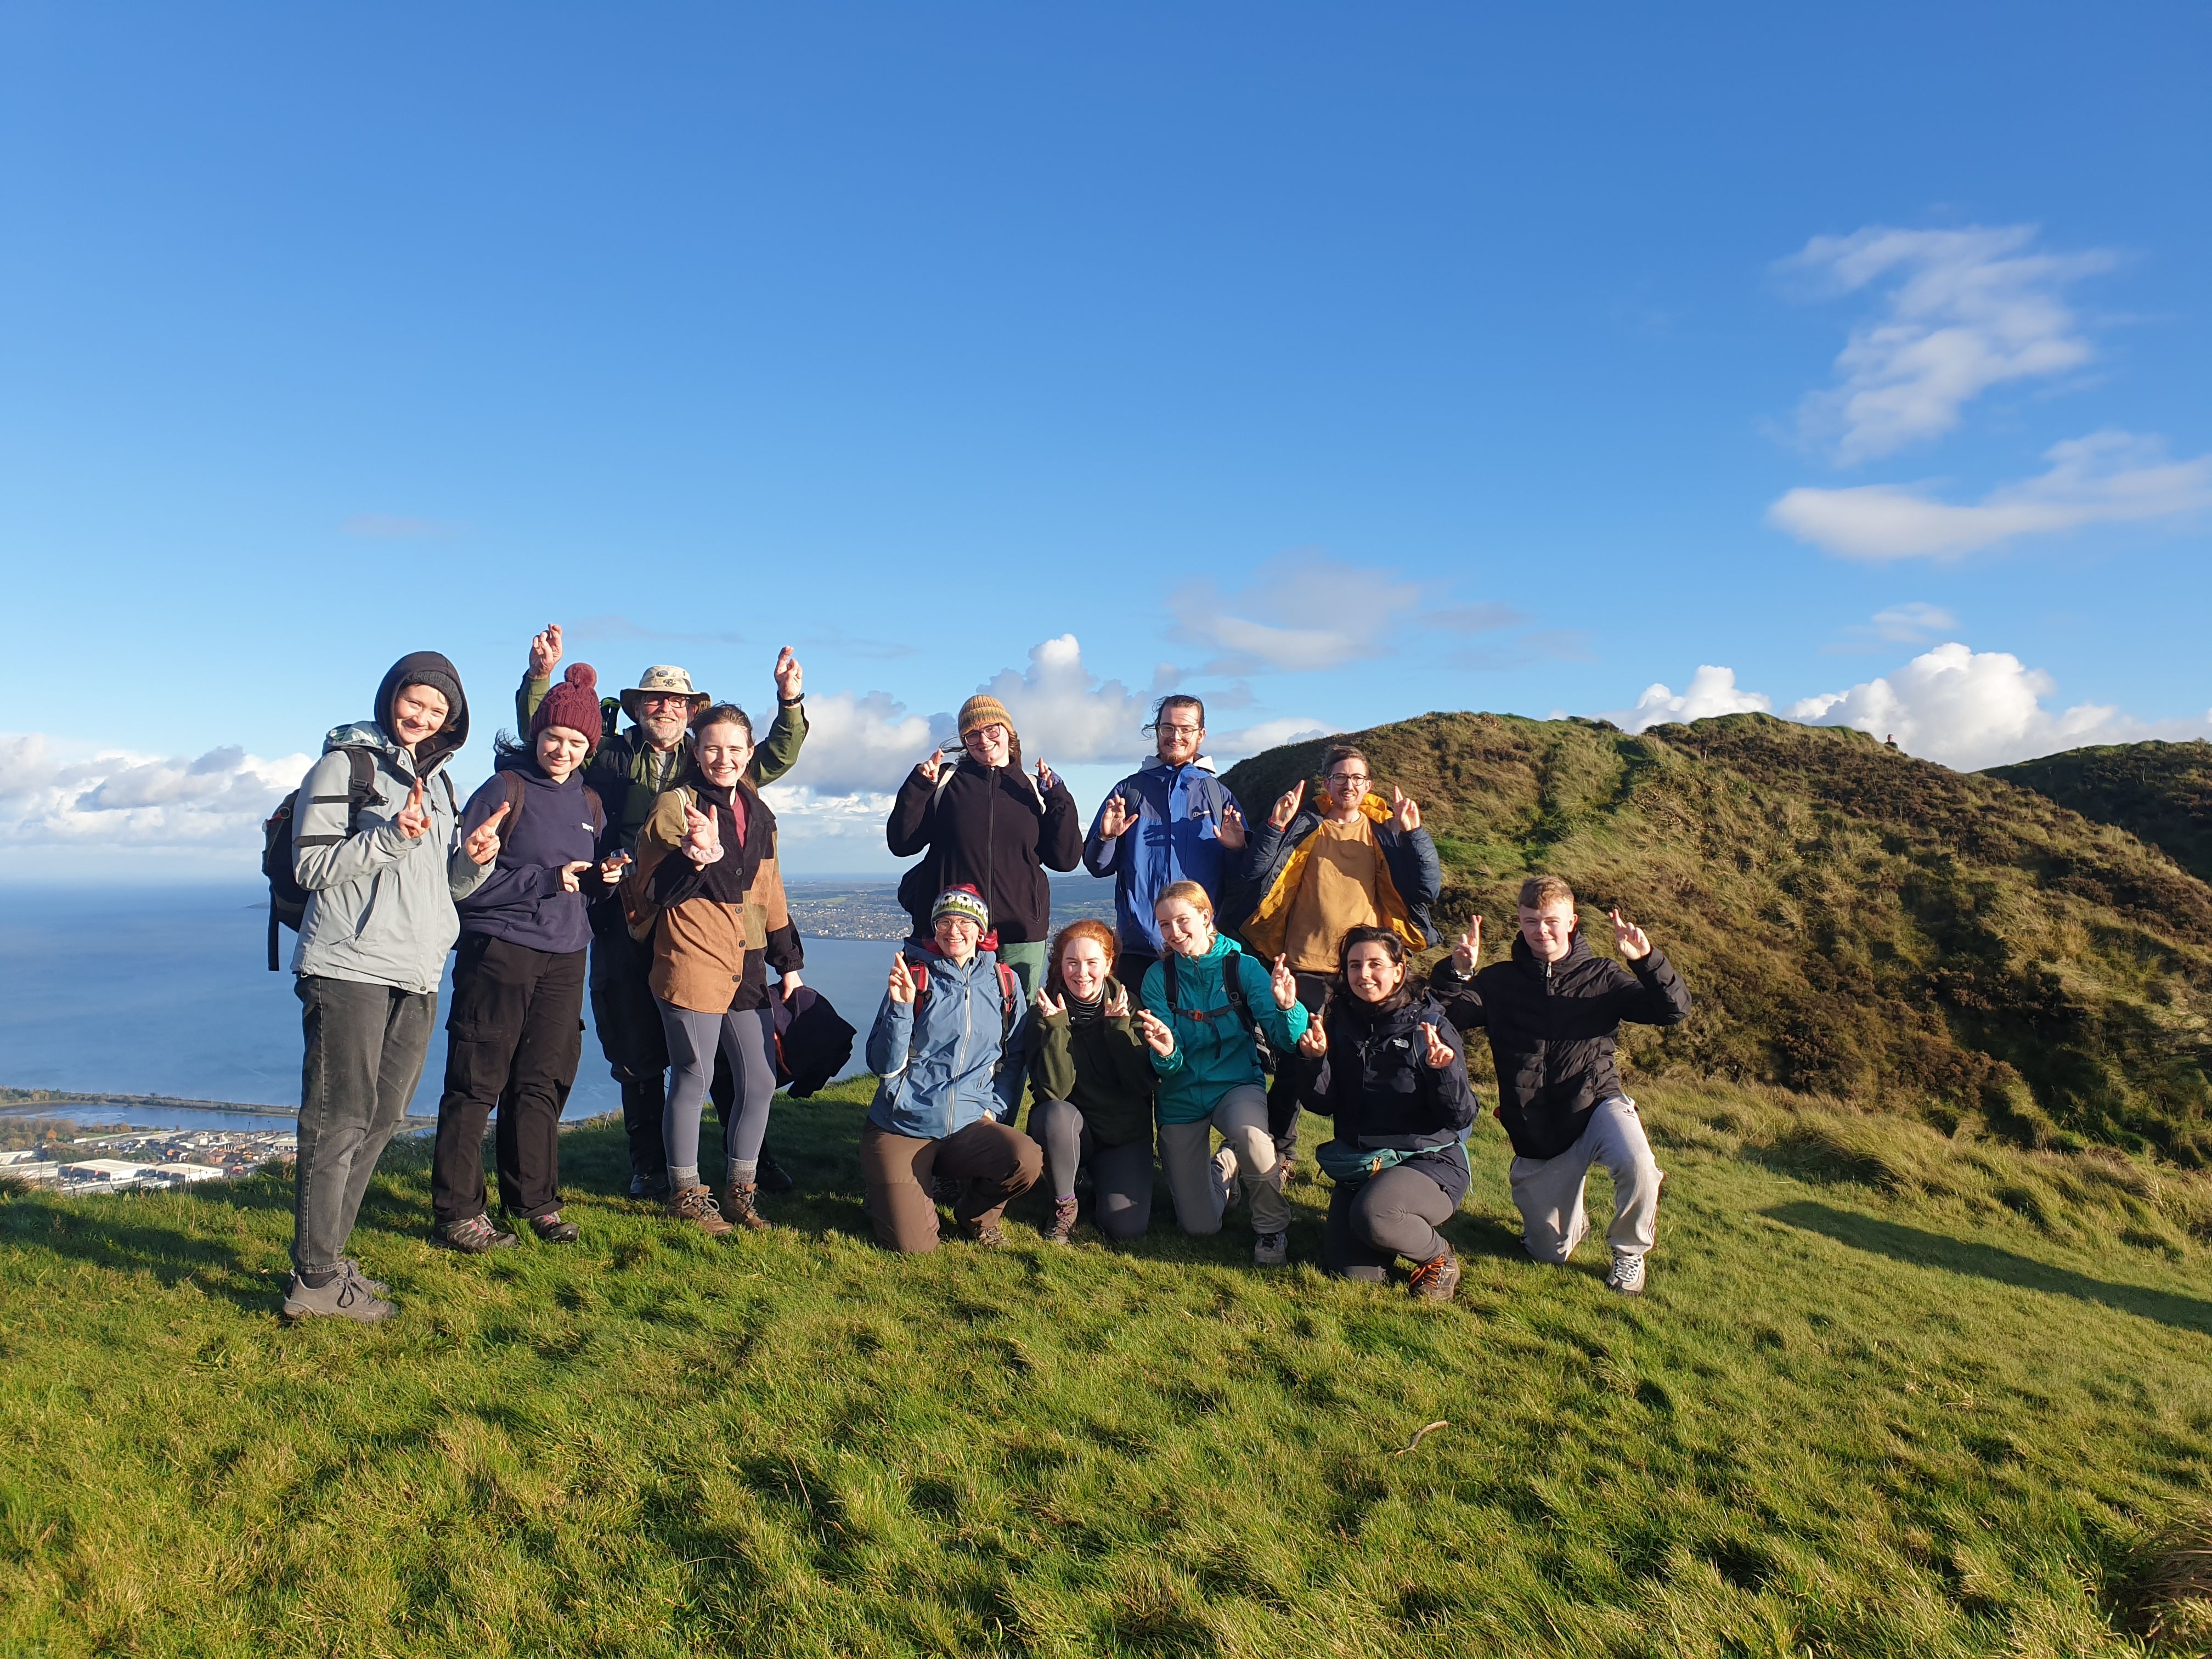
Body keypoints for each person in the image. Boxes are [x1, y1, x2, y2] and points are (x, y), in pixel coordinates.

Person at [517, 623, 808, 1200]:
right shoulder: (607, 753)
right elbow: (549, 736)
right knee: (636, 1046)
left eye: (678, 702)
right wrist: (540, 677)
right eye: (656, 699)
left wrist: (790, 702)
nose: (666, 709)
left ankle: (749, 1163)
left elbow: (774, 752)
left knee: (721, 1051)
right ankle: (649, 1165)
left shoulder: (710, 764)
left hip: (701, 927)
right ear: (638, 707)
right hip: (622, 918)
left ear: (692, 711)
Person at [283, 652, 504, 1322]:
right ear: (391, 698)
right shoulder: (345, 765)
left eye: (439, 711)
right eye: (416, 701)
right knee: (336, 1119)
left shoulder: (440, 783)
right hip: (349, 966)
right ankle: (315, 1281)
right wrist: (392, 838)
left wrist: (473, 861)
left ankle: (330, 1261)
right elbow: (310, 865)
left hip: (416, 970)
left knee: (380, 1121)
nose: (424, 716)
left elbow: (444, 888)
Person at [430, 664, 626, 1252]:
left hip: (567, 955)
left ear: (590, 747)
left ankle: (534, 1201)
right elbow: (464, 883)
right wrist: (546, 879)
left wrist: (606, 880)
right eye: (553, 738)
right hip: (501, 950)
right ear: (535, 735)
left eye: (576, 742)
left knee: (542, 1082)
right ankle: (458, 1211)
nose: (562, 750)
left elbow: (585, 886)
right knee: (476, 1081)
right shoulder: (504, 790)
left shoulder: (589, 800)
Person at [1429, 875, 1692, 1296]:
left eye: (1552, 920)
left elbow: (1672, 1011)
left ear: (1572, 921)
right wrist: (1456, 973)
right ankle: (1571, 1224)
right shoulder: (1499, 982)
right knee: (1548, 1252)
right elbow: (1439, 1019)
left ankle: (1629, 1254)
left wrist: (1646, 961)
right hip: (1537, 1129)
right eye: (1532, 921)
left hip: (1597, 1104)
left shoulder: (1602, 975)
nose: (1542, 930)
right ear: (1520, 921)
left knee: (1639, 1164)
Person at [623, 703, 804, 1236]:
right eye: (712, 748)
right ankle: (686, 1193)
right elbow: (648, 891)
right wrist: (693, 856)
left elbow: (769, 892)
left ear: (749, 753)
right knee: (693, 1074)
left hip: (742, 964)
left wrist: (788, 963)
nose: (723, 758)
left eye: (734, 749)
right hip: (690, 957)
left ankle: (740, 1192)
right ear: (696, 752)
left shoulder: (759, 812)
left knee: (759, 1080)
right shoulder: (675, 806)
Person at [1237, 744, 1442, 1174]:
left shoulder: (1384, 829)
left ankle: (1362, 1153)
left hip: (1363, 971)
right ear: (1325, 783)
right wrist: (1275, 826)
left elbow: (1427, 889)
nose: (1350, 785)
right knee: (1296, 1062)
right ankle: (1281, 1152)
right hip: (1304, 965)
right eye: (1341, 777)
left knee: (1361, 1064)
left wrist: (1414, 835)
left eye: (1358, 778)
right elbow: (1254, 873)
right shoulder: (1306, 823)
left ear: (1368, 785)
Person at [1295, 927, 1478, 1300]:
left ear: (1398, 970)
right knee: (1353, 1275)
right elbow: (1323, 1105)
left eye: (1375, 964)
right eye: (1354, 965)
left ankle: (1438, 1257)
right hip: (1364, 1163)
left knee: (1375, 1214)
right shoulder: (1338, 1021)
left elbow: (1460, 1117)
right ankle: (1384, 1223)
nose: (1364, 974)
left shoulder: (1430, 1026)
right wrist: (1314, 1062)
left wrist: (1443, 1073)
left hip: (1428, 1161)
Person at [1136, 881, 1310, 1267]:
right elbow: (1170, 1062)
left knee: (1253, 1138)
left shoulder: (1243, 968)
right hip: (1180, 1094)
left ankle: (1270, 1228)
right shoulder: (1157, 978)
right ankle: (1225, 1165)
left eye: (1183, 920)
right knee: (1200, 1228)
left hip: (1236, 1083)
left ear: (1205, 916)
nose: (1174, 932)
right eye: (1164, 925)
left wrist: (1287, 1007)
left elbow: (1285, 1038)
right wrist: (1166, 1052)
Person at [861, 886, 1041, 1252]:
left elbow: (1014, 1057)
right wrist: (900, 1008)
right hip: (903, 1124)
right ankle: (890, 1190)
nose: (953, 930)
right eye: (944, 921)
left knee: (1026, 1159)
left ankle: (976, 1216)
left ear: (981, 930)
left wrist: (995, 1110)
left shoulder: (1005, 984)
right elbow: (882, 1065)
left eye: (964, 922)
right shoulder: (915, 978)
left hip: (969, 1124)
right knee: (915, 1247)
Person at [886, 693, 1080, 1000]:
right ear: (964, 741)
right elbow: (902, 843)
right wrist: (919, 787)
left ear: (1008, 733)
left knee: (1016, 1029)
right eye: (972, 734)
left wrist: (1058, 797)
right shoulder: (946, 782)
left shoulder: (1031, 788)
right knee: (944, 1022)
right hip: (953, 930)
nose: (984, 740)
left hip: (1019, 933)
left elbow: (1065, 859)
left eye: (992, 730)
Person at [1083, 695, 1247, 989]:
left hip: (1201, 948)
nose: (1176, 737)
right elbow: (1098, 866)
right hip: (1140, 948)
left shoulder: (1218, 795)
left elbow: (1239, 879)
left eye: (1186, 729)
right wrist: (1106, 837)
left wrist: (1237, 851)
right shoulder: (1129, 791)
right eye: (1168, 728)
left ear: (1201, 734)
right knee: (1136, 1034)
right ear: (1157, 731)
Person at [1024, 919, 1158, 1244]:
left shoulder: (1133, 1008)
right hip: (1071, 1132)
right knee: (1055, 1114)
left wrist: (1117, 1032)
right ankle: (1065, 1206)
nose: (1081, 973)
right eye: (1072, 962)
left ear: (1109, 964)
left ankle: (1099, 1179)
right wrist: (1056, 1029)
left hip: (1122, 1135)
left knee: (1125, 1228)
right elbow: (1053, 1091)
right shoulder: (1044, 1012)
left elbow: (1140, 1084)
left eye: (1091, 963)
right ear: (1061, 965)